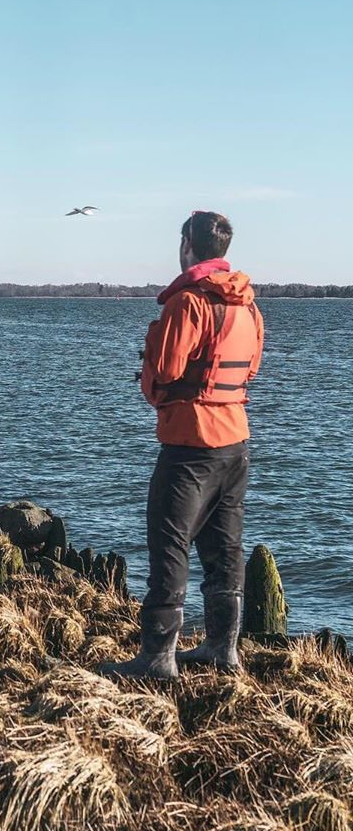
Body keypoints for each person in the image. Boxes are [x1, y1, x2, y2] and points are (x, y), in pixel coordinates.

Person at [101, 211, 265, 679]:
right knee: (225, 546)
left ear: (187, 246)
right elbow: (248, 369)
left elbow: (169, 371)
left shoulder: (187, 303)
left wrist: (148, 378)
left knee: (169, 546)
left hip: (190, 444)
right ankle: (222, 649)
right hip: (236, 442)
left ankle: (157, 658)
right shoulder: (248, 305)